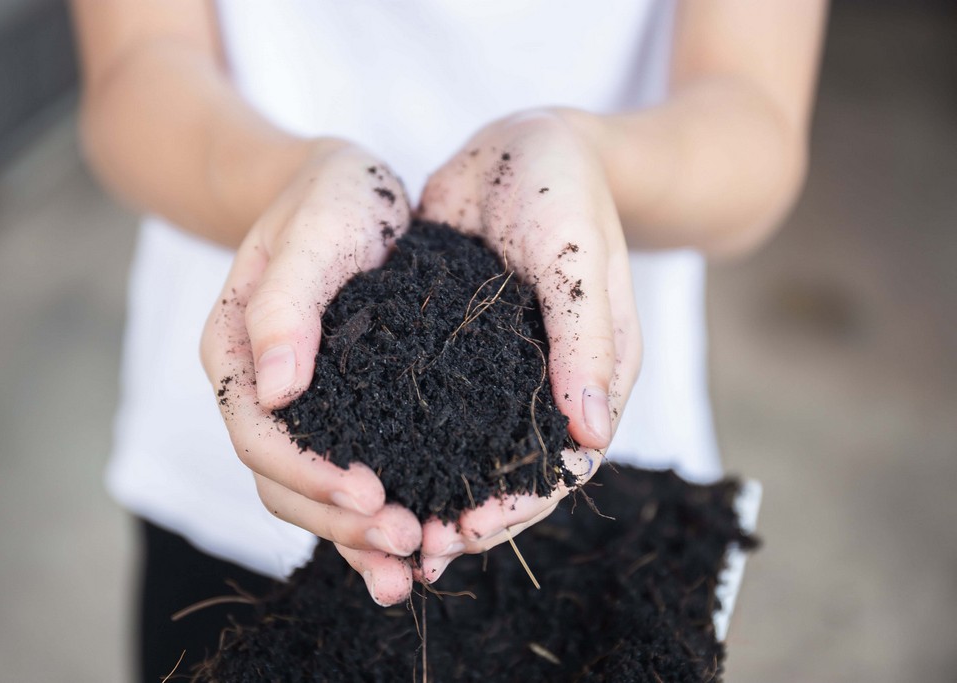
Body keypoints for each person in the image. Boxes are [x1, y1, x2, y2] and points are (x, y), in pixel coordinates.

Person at [72, 0, 825, 678]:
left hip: (595, 512)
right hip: (239, 471)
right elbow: (136, 70)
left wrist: (586, 156)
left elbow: (754, 114)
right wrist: (285, 179)